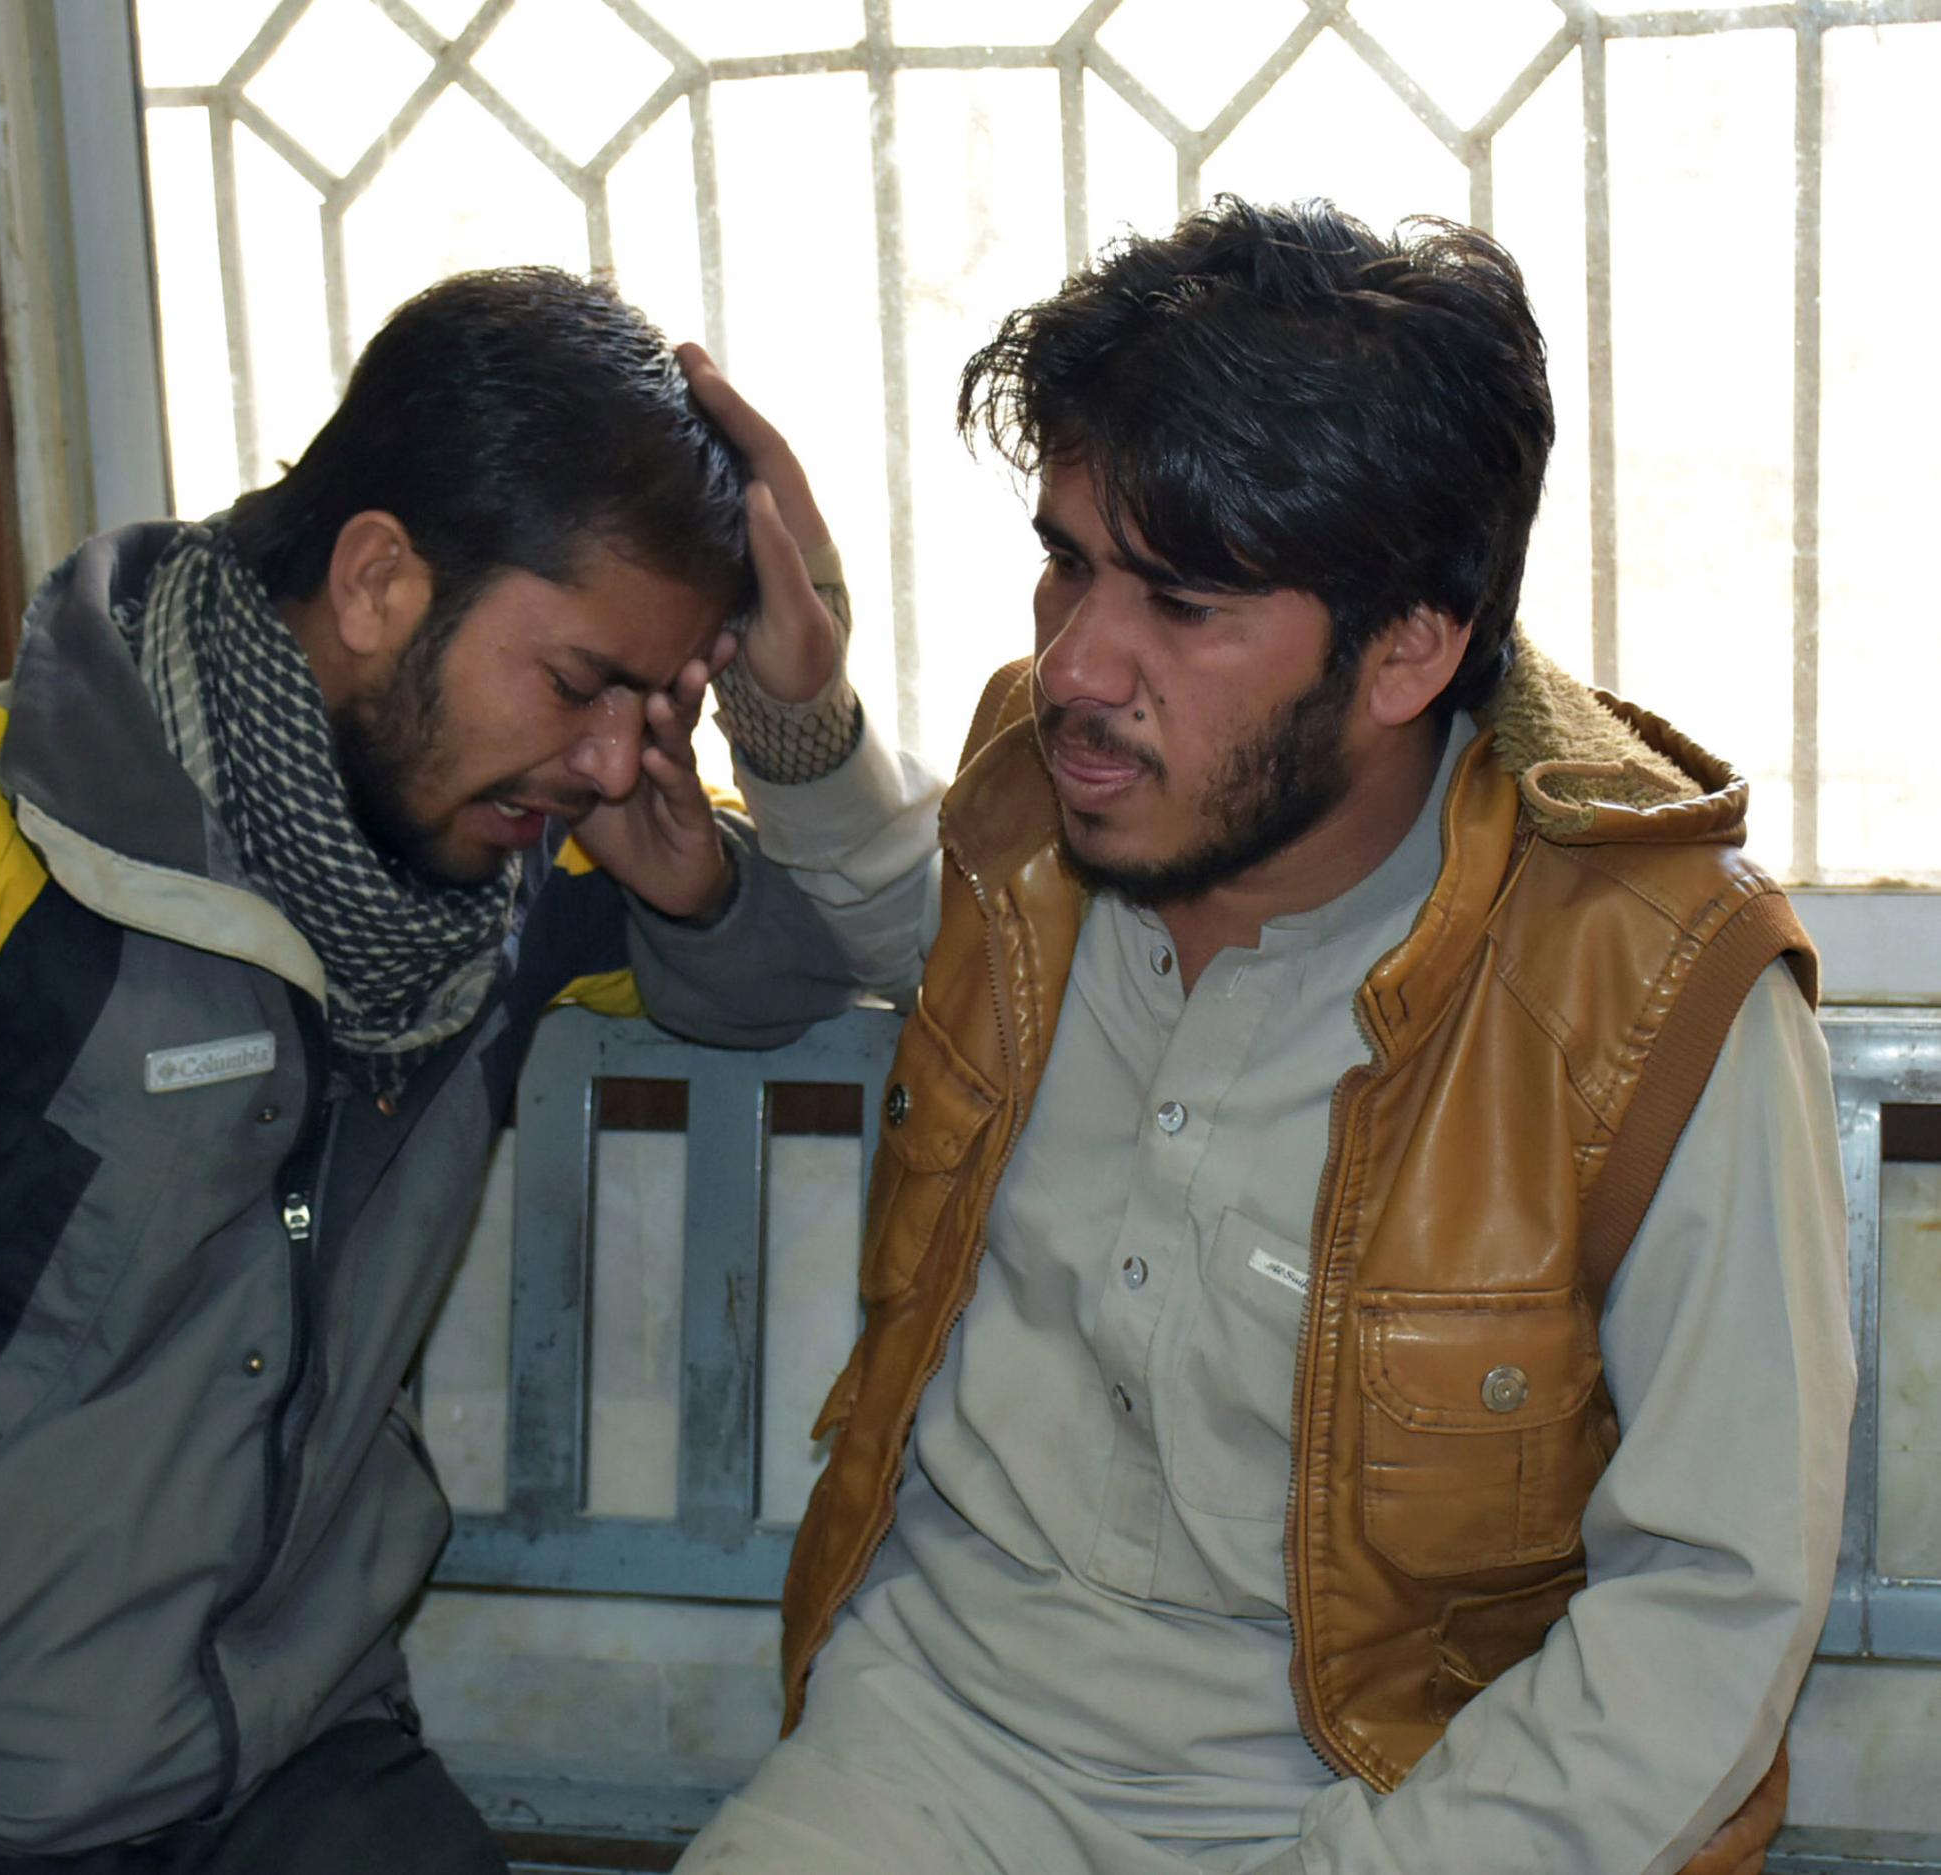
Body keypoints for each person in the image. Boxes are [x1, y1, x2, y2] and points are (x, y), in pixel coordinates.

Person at [0, 268, 861, 1874]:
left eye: (656, 705)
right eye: (580, 683)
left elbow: (812, 968)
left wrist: (727, 822)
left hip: (281, 1765)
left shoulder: (494, 865)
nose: (617, 759)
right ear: (383, 580)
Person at [676, 198, 1855, 1874]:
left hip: (1381, 1802)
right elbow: (928, 919)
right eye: (1070, 560)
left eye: (1184, 601)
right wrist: (792, 716)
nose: (1079, 662)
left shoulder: (1657, 991)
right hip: (929, 1747)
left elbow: (1714, 1609)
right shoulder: (1064, 791)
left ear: (1408, 651)